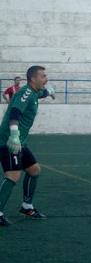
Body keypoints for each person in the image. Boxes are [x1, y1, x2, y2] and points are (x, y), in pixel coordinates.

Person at [0, 66, 56, 226]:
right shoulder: (25, 93)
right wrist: (14, 135)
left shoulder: (35, 92)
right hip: (9, 141)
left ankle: (26, 206)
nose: (46, 78)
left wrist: (50, 91)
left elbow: (42, 93)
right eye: (43, 76)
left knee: (34, 170)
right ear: (33, 79)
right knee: (13, 175)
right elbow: (15, 113)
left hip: (20, 142)